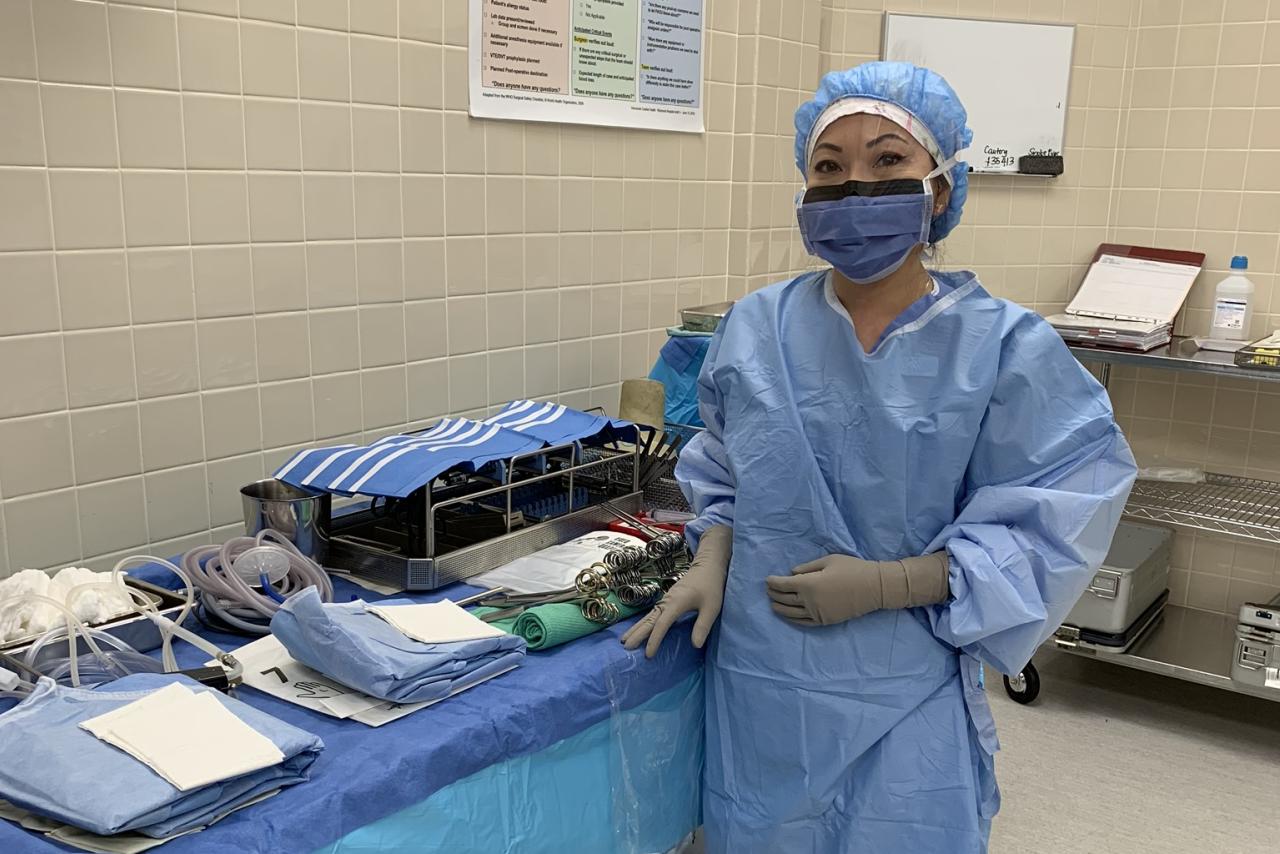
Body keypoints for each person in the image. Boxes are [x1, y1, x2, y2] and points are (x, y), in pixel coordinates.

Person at [622, 61, 1137, 853]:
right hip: (765, 679)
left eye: (887, 161)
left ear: (938, 190)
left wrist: (899, 581)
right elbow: (723, 465)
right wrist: (713, 555)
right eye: (829, 167)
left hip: (906, 682)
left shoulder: (1003, 348)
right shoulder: (757, 327)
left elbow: (1059, 516)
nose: (853, 189)